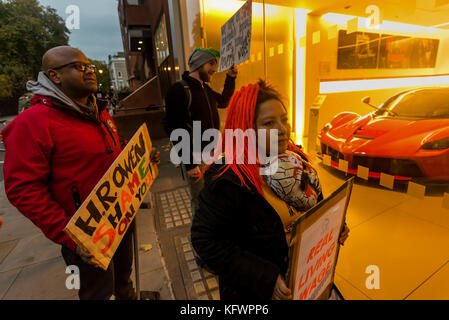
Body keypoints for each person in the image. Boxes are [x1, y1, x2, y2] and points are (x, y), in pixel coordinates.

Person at [2, 46, 160, 300]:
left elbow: (112, 146)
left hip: (119, 218)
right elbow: (22, 189)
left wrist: (141, 159)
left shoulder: (97, 110)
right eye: (79, 66)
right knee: (98, 293)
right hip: (86, 237)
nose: (90, 71)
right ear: (55, 76)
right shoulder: (32, 124)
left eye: (90, 66)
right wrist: (69, 236)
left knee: (123, 279)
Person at [191, 80, 349, 300]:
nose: (283, 130)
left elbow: (316, 205)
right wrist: (265, 277)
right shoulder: (228, 180)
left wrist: (335, 224)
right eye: (268, 123)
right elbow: (205, 241)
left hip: (306, 280)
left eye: (284, 120)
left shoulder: (297, 160)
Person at [164, 47, 238, 216]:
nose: (214, 69)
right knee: (200, 202)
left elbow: (224, 101)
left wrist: (231, 78)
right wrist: (190, 164)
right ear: (198, 64)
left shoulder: (204, 89)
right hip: (196, 157)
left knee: (214, 197)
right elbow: (174, 128)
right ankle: (201, 240)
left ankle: (214, 232)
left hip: (212, 154)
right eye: (211, 63)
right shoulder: (179, 90)